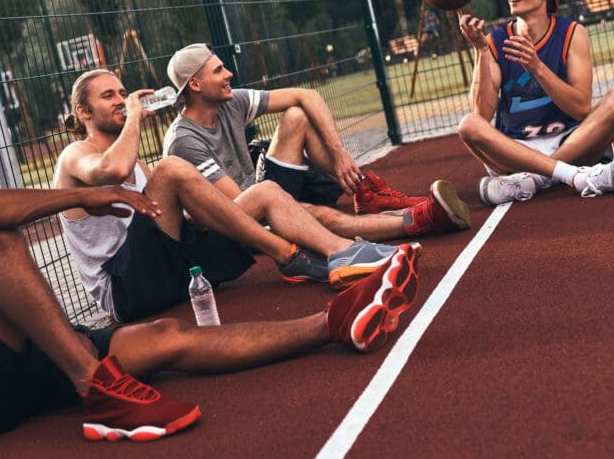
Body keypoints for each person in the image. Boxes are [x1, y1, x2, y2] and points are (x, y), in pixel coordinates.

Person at [0, 87, 423, 449]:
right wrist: (79, 196)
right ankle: (96, 387)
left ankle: (330, 323)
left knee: (164, 336)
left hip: (3, 364)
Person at [54, 69, 405, 321]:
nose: (120, 101)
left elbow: (159, 223)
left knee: (264, 191)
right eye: (108, 96)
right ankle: (288, 254)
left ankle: (341, 252)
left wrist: (196, 215)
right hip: (125, 288)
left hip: (172, 271)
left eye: (122, 93)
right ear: (83, 112)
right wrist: (134, 117)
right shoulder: (75, 155)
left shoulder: (140, 167)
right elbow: (111, 170)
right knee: (170, 168)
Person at [160, 44, 471, 242]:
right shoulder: (184, 141)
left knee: (297, 115)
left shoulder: (230, 103)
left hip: (257, 193)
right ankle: (418, 221)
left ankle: (362, 190)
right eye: (218, 71)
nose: (229, 73)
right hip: (236, 222)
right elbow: (241, 207)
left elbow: (306, 96)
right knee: (315, 215)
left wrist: (339, 155)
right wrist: (292, 209)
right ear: (196, 84)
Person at [456, 0, 614, 205]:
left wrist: (537, 67)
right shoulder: (495, 41)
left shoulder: (571, 33)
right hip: (516, 151)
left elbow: (580, 108)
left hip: (570, 141)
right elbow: (482, 114)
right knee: (468, 125)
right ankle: (575, 175)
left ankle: (535, 180)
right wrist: (481, 51)